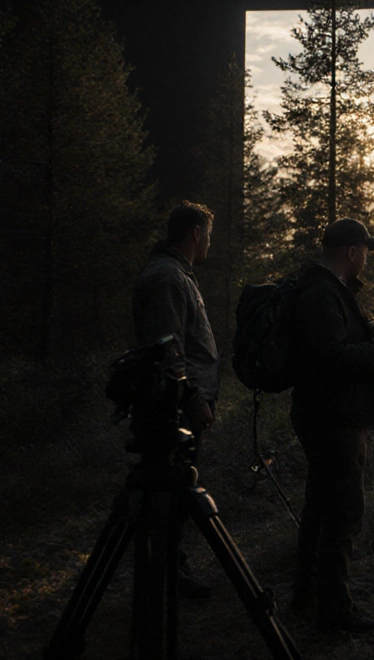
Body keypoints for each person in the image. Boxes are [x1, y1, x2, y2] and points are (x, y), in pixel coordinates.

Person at [289, 217, 374, 634]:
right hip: (335, 419)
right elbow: (329, 358)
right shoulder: (321, 292)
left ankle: (307, 597)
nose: (366, 258)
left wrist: (370, 336)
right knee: (343, 512)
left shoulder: (327, 290)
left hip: (329, 415)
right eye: (365, 251)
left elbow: (332, 344)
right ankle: (335, 610)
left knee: (320, 507)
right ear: (352, 252)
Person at [132, 200, 218, 599]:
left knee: (175, 494)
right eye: (208, 236)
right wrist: (195, 399)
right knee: (170, 495)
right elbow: (169, 350)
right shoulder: (168, 278)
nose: (209, 244)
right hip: (173, 412)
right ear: (196, 233)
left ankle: (169, 570)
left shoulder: (177, 273)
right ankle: (166, 577)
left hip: (177, 408)